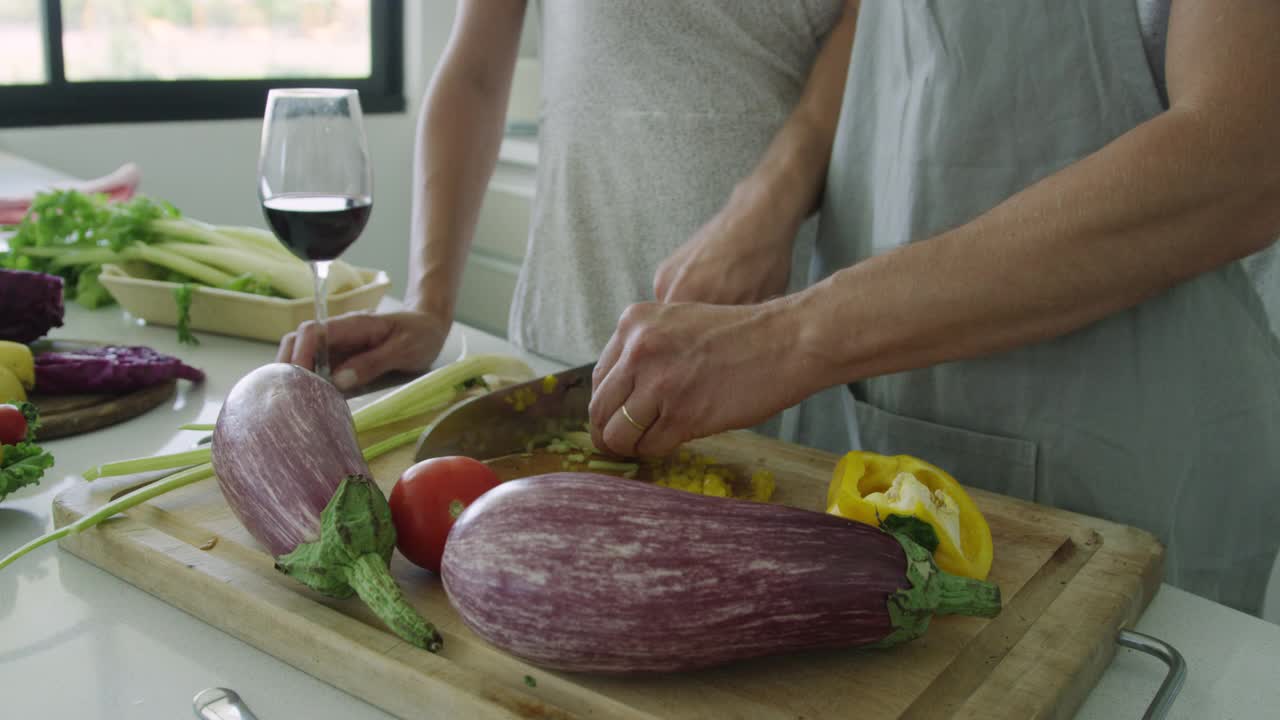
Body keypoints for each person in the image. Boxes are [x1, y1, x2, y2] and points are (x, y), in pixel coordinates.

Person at [588, 0, 1280, 617]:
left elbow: (1246, 154)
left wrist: (791, 337)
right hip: (863, 413)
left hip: (1124, 453)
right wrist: (771, 192)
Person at [277, 0, 859, 452]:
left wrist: (767, 211)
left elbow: (857, 69)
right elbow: (475, 72)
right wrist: (430, 303)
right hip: (564, 343)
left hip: (777, 356)